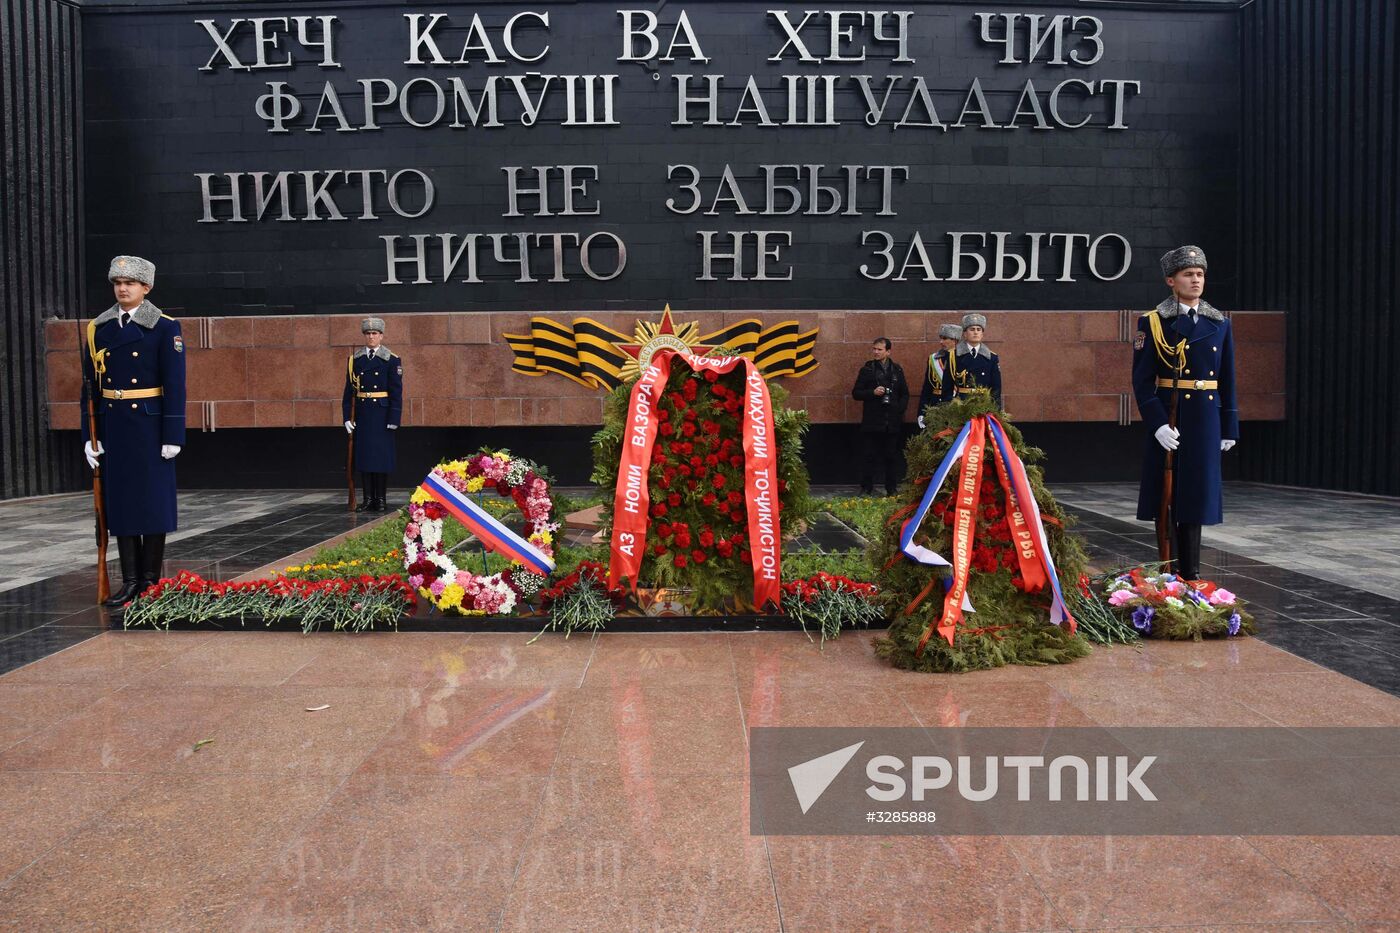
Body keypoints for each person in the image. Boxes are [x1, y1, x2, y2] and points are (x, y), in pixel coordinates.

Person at [80, 256, 186, 606]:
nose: (122, 288)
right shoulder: (99, 328)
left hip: (151, 426)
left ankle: (151, 582)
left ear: (146, 288)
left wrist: (173, 435)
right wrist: (88, 436)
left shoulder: (164, 327)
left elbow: (175, 384)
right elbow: (90, 388)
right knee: (122, 505)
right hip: (115, 425)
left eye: (130, 283)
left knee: (152, 505)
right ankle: (129, 582)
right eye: (117, 282)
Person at [1132, 245, 1238, 582]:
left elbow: (1228, 378)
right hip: (1170, 418)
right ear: (1171, 280)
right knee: (1167, 495)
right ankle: (1170, 569)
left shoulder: (1219, 323)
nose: (1195, 280)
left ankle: (1191, 573)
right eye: (1188, 274)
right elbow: (1142, 381)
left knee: (1196, 496)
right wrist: (1157, 423)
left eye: (1200, 274)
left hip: (1205, 420)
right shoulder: (1153, 322)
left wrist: (1228, 426)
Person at [343, 317, 403, 511]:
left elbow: (396, 392)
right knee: (364, 457)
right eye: (368, 334)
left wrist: (394, 418)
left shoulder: (391, 359)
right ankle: (367, 499)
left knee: (381, 458)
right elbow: (348, 392)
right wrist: (346, 418)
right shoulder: (355, 360)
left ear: (381, 336)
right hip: (363, 414)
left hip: (382, 414)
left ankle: (381, 499)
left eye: (374, 334)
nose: (371, 337)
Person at [851, 337, 910, 495]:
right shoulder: (867, 370)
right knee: (869, 456)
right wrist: (872, 392)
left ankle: (891, 488)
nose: (876, 352)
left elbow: (904, 394)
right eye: (874, 349)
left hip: (892, 421)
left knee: (891, 457)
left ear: (888, 351)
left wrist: (899, 410)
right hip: (872, 420)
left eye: (879, 349)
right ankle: (866, 487)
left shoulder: (897, 370)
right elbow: (856, 393)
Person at [940, 313, 1002, 407]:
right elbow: (947, 388)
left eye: (979, 329)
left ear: (982, 334)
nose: (976, 332)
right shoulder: (953, 355)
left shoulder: (991, 357)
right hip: (961, 407)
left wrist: (995, 411)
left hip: (983, 407)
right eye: (972, 329)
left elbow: (996, 389)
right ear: (965, 334)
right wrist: (950, 408)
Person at [917, 323, 964, 429]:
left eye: (945, 338)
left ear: (955, 340)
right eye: (940, 338)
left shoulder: (963, 359)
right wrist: (921, 412)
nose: (941, 342)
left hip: (956, 408)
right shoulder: (934, 359)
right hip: (935, 407)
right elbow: (927, 388)